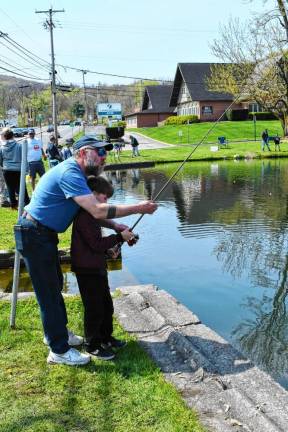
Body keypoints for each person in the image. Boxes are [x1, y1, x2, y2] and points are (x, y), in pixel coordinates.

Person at [14, 135, 157, 366]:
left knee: (54, 287)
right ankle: (58, 350)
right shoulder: (70, 172)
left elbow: (91, 213)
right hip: (34, 234)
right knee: (49, 294)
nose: (104, 157)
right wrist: (139, 207)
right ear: (82, 153)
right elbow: (98, 210)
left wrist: (116, 226)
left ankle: (57, 334)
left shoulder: (80, 176)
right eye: (99, 152)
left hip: (42, 234)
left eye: (105, 152)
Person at [71, 175, 134, 360]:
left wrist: (110, 252)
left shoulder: (93, 216)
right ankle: (92, 345)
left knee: (106, 305)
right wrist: (118, 238)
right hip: (86, 270)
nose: (106, 202)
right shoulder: (84, 216)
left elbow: (97, 247)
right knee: (94, 308)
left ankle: (106, 338)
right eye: (104, 197)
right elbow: (96, 243)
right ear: (92, 195)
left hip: (96, 267)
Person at [0, 128, 30, 209]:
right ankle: (26, 202)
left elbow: (0, 160)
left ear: (5, 137)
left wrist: (4, 166)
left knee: (10, 188)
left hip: (7, 170)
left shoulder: (2, 148)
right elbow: (24, 158)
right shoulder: (19, 146)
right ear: (13, 135)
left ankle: (13, 205)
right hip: (18, 169)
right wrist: (27, 169)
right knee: (22, 187)